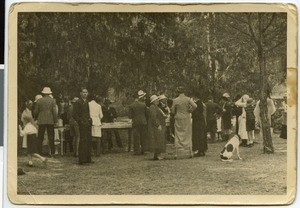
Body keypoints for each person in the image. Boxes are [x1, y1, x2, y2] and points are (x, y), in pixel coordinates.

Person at [171, 86, 197, 159]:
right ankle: (190, 152)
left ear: (177, 92)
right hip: (186, 117)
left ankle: (176, 153)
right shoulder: (188, 99)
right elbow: (195, 106)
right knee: (188, 133)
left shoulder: (175, 100)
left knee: (178, 134)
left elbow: (172, 111)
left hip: (178, 117)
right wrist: (190, 110)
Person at [33, 87, 58, 156]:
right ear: (50, 93)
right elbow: (54, 112)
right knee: (51, 136)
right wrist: (55, 121)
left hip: (41, 119)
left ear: (43, 93)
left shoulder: (39, 101)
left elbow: (36, 111)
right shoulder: (53, 101)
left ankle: (39, 152)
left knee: (40, 136)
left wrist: (35, 117)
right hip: (50, 119)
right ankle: (52, 152)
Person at [73, 87, 93, 165]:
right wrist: (80, 121)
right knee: (83, 141)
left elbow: (88, 113)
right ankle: (82, 160)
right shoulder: (78, 102)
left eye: (86, 92)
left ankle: (88, 158)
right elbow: (74, 114)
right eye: (83, 92)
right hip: (82, 124)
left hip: (87, 123)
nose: (85, 94)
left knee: (88, 140)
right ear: (80, 93)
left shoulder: (87, 102)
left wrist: (89, 119)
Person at [128, 90, 148, 155]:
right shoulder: (144, 104)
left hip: (136, 122)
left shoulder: (131, 105)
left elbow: (130, 116)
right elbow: (146, 114)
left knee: (136, 137)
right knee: (143, 136)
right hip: (143, 122)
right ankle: (143, 150)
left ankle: (137, 151)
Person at [148, 95, 167, 160]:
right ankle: (157, 155)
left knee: (158, 139)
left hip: (158, 125)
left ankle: (157, 154)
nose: (158, 101)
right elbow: (153, 117)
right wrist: (158, 124)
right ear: (154, 101)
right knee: (157, 140)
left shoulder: (156, 107)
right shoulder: (152, 107)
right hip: (156, 126)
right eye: (156, 100)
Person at [191, 92, 207, 156]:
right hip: (200, 120)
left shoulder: (198, 103)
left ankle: (200, 150)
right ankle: (201, 150)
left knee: (198, 135)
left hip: (198, 121)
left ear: (195, 96)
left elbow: (197, 112)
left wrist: (192, 113)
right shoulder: (201, 102)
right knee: (201, 135)